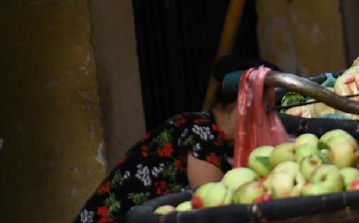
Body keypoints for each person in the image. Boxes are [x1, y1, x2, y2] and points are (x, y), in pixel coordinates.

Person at [72, 57, 275, 222]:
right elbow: (214, 209)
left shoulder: (199, 127)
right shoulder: (202, 132)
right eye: (266, 111)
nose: (268, 121)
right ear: (246, 102)